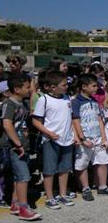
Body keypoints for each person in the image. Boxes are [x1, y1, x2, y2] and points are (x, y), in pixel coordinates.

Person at [32, 71, 77, 208]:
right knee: (49, 170)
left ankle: (63, 194)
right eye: (63, 85)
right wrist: (49, 133)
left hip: (67, 139)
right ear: (52, 87)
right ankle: (49, 197)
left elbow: (70, 118)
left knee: (64, 169)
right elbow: (36, 121)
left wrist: (74, 134)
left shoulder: (66, 99)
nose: (66, 87)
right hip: (51, 140)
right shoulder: (43, 100)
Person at [1, 74, 41, 220]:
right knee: (23, 176)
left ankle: (15, 203)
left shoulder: (23, 103)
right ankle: (24, 208)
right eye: (27, 87)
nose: (30, 89)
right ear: (17, 89)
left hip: (23, 145)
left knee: (20, 176)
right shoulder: (9, 104)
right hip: (13, 147)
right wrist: (17, 143)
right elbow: (7, 124)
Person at [72, 74, 108, 197]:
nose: (96, 88)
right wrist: (82, 138)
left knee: (102, 161)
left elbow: (100, 120)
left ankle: (102, 186)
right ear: (84, 87)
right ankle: (85, 188)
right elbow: (75, 121)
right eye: (93, 86)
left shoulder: (95, 102)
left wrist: (104, 138)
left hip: (98, 137)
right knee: (82, 163)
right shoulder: (76, 102)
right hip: (85, 139)